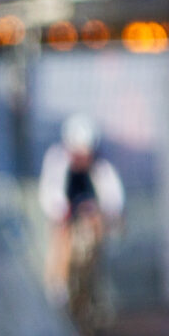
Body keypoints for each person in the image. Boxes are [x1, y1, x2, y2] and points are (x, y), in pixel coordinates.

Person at [38, 113, 124, 310]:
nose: (84, 158)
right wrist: (62, 210)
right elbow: (50, 192)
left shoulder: (100, 165)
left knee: (98, 233)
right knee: (61, 236)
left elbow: (113, 195)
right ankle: (57, 285)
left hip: (91, 217)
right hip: (67, 219)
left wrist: (104, 212)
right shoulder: (58, 160)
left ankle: (95, 288)